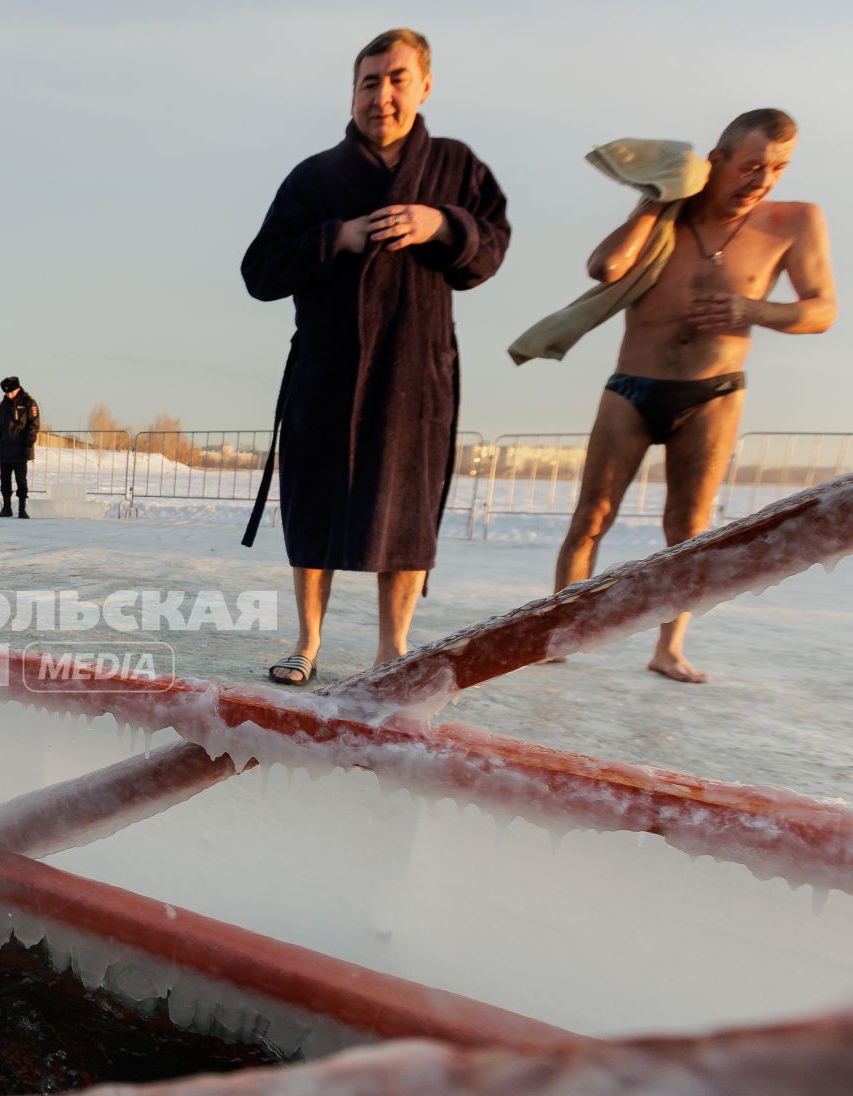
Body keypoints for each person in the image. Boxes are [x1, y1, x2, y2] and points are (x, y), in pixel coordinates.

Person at [240, 28, 509, 687]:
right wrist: (339, 235)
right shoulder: (315, 177)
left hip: (416, 371)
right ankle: (306, 643)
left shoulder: (456, 166)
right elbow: (260, 271)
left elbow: (491, 249)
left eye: (396, 79)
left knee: (407, 510)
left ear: (424, 85)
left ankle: (393, 650)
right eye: (369, 81)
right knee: (313, 506)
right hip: (327, 370)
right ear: (353, 91)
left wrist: (443, 225)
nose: (381, 95)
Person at [548, 110, 835, 683]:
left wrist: (752, 309)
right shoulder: (670, 215)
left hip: (714, 390)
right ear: (717, 161)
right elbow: (606, 267)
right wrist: (657, 199)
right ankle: (561, 630)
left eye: (777, 168)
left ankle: (668, 648)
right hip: (632, 384)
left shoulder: (794, 221)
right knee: (591, 516)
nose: (762, 181)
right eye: (751, 166)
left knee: (687, 525)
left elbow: (822, 310)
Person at [0, 376, 39, 518]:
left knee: (21, 480)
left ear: (17, 388)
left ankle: (22, 509)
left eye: (10, 392)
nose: (8, 395)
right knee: (5, 480)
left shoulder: (28, 402)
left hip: (20, 449)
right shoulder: (4, 404)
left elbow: (33, 426)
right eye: (6, 392)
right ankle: (7, 508)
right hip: (5, 449)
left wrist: (27, 446)